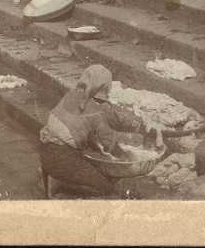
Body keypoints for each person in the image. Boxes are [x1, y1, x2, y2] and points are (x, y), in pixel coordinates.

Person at [39, 65, 148, 198]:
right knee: (105, 189)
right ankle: (61, 186)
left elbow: (80, 127)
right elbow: (110, 144)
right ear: (103, 87)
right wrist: (132, 156)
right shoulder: (95, 111)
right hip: (63, 159)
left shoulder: (71, 95)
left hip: (45, 152)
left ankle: (52, 176)